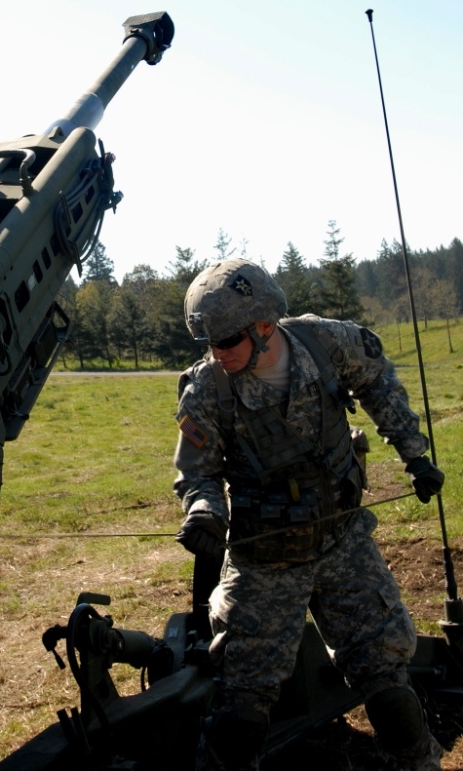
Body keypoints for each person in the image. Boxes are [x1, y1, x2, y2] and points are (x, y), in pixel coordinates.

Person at [173, 258, 445, 771]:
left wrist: (415, 454)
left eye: (228, 339)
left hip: (342, 540)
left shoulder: (326, 345)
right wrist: (205, 512)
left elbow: (378, 382)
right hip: (264, 559)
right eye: (209, 342)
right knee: (241, 713)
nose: (218, 352)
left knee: (389, 686)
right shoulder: (208, 388)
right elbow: (199, 470)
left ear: (264, 325)